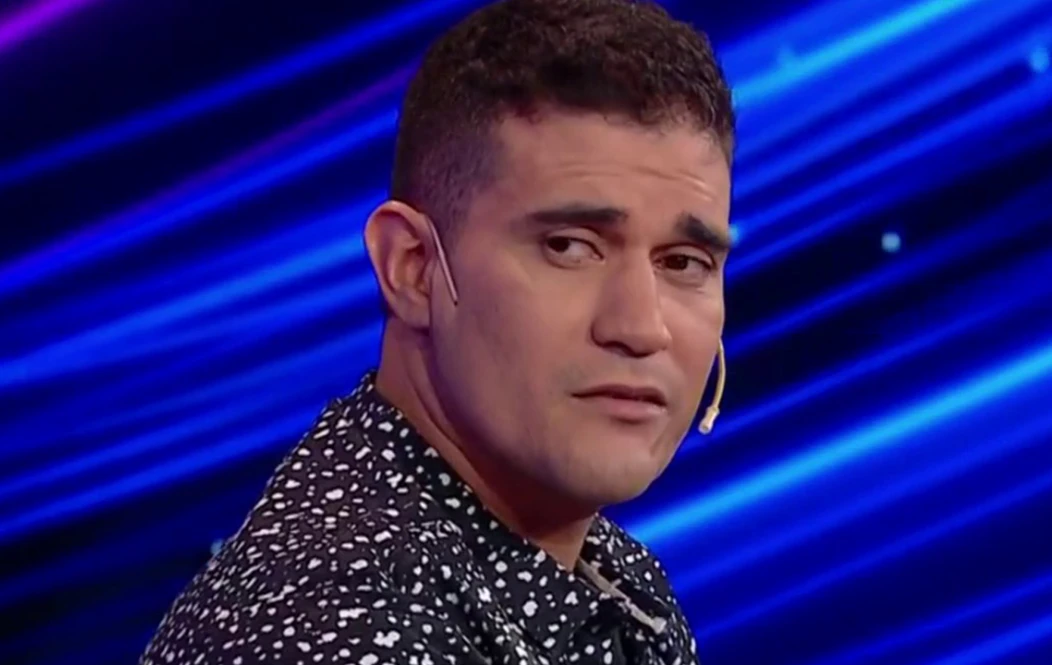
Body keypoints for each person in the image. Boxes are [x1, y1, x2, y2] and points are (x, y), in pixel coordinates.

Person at [140, 0, 734, 662]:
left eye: (684, 262)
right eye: (569, 247)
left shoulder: (612, 575)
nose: (641, 326)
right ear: (413, 267)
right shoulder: (338, 628)